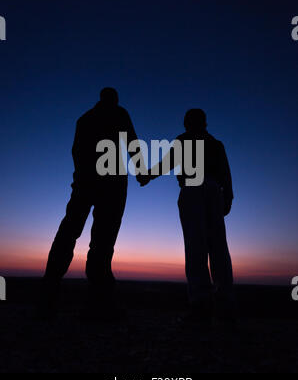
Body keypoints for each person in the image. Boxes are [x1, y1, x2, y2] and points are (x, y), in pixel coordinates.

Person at [40, 87, 144, 318]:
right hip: (111, 185)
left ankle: (48, 296)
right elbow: (132, 144)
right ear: (114, 100)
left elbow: (76, 152)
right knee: (102, 241)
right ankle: (99, 302)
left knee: (69, 233)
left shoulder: (84, 119)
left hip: (85, 183)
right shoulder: (119, 113)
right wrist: (141, 172)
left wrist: (82, 177)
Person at [141, 109, 235, 325]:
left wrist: (148, 175)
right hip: (213, 191)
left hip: (194, 190)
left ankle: (201, 307)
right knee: (218, 248)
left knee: (196, 248)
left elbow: (168, 163)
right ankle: (225, 307)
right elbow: (226, 174)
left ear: (188, 123)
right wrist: (227, 197)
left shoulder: (184, 140)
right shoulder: (216, 144)